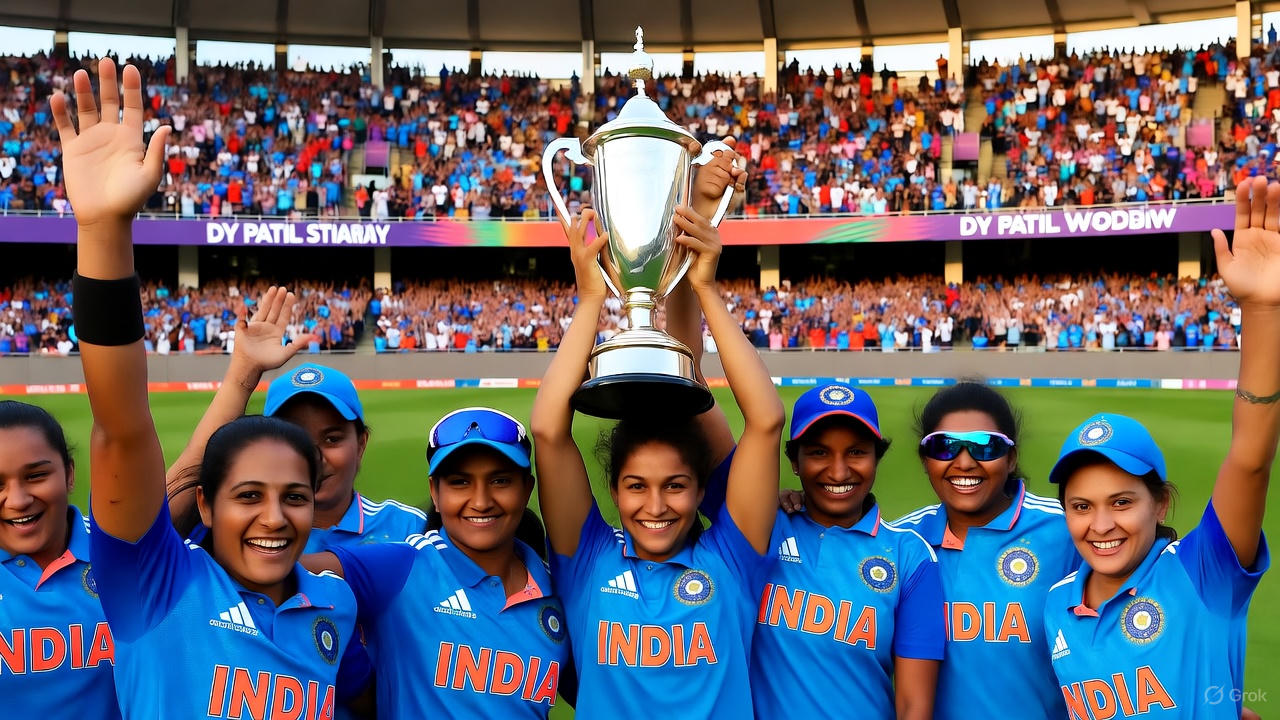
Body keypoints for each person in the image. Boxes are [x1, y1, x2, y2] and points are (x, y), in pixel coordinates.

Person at [53, 57, 356, 718]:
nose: (275, 518)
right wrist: (104, 231)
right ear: (206, 507)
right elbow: (122, 428)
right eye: (248, 496)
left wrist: (245, 374)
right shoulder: (155, 586)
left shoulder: (334, 604)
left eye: (295, 497)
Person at [530, 200, 783, 718]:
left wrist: (707, 290)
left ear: (699, 487)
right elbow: (547, 431)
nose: (656, 505)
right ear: (615, 489)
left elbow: (766, 421)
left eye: (675, 484)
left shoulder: (732, 559)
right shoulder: (589, 562)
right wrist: (590, 300)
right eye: (636, 485)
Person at [1044, 177, 1277, 718]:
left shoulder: (1202, 574)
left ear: (1161, 503)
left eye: (1122, 501)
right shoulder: (1057, 606)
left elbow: (1250, 457)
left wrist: (1264, 311)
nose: (1100, 524)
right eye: (1081, 507)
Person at [300, 406, 573, 717]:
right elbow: (278, 572)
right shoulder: (403, 567)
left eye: (500, 481)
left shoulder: (557, 590)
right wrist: (356, 679)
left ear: (527, 489)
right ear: (435, 491)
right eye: (460, 482)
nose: (481, 501)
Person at [708, 384, 944, 719]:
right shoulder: (757, 525)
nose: (838, 471)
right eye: (818, 452)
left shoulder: (909, 555)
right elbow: (703, 418)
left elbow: (913, 707)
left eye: (856, 452)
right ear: (794, 461)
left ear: (876, 457)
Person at [891, 382, 1078, 719]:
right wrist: (791, 506)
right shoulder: (902, 541)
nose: (964, 462)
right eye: (944, 447)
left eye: (986, 447)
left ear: (1011, 459)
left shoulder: (1065, 530)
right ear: (925, 460)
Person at [0, 401, 120, 719]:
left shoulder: (122, 553)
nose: (18, 500)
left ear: (69, 473)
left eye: (36, 476)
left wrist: (240, 377)